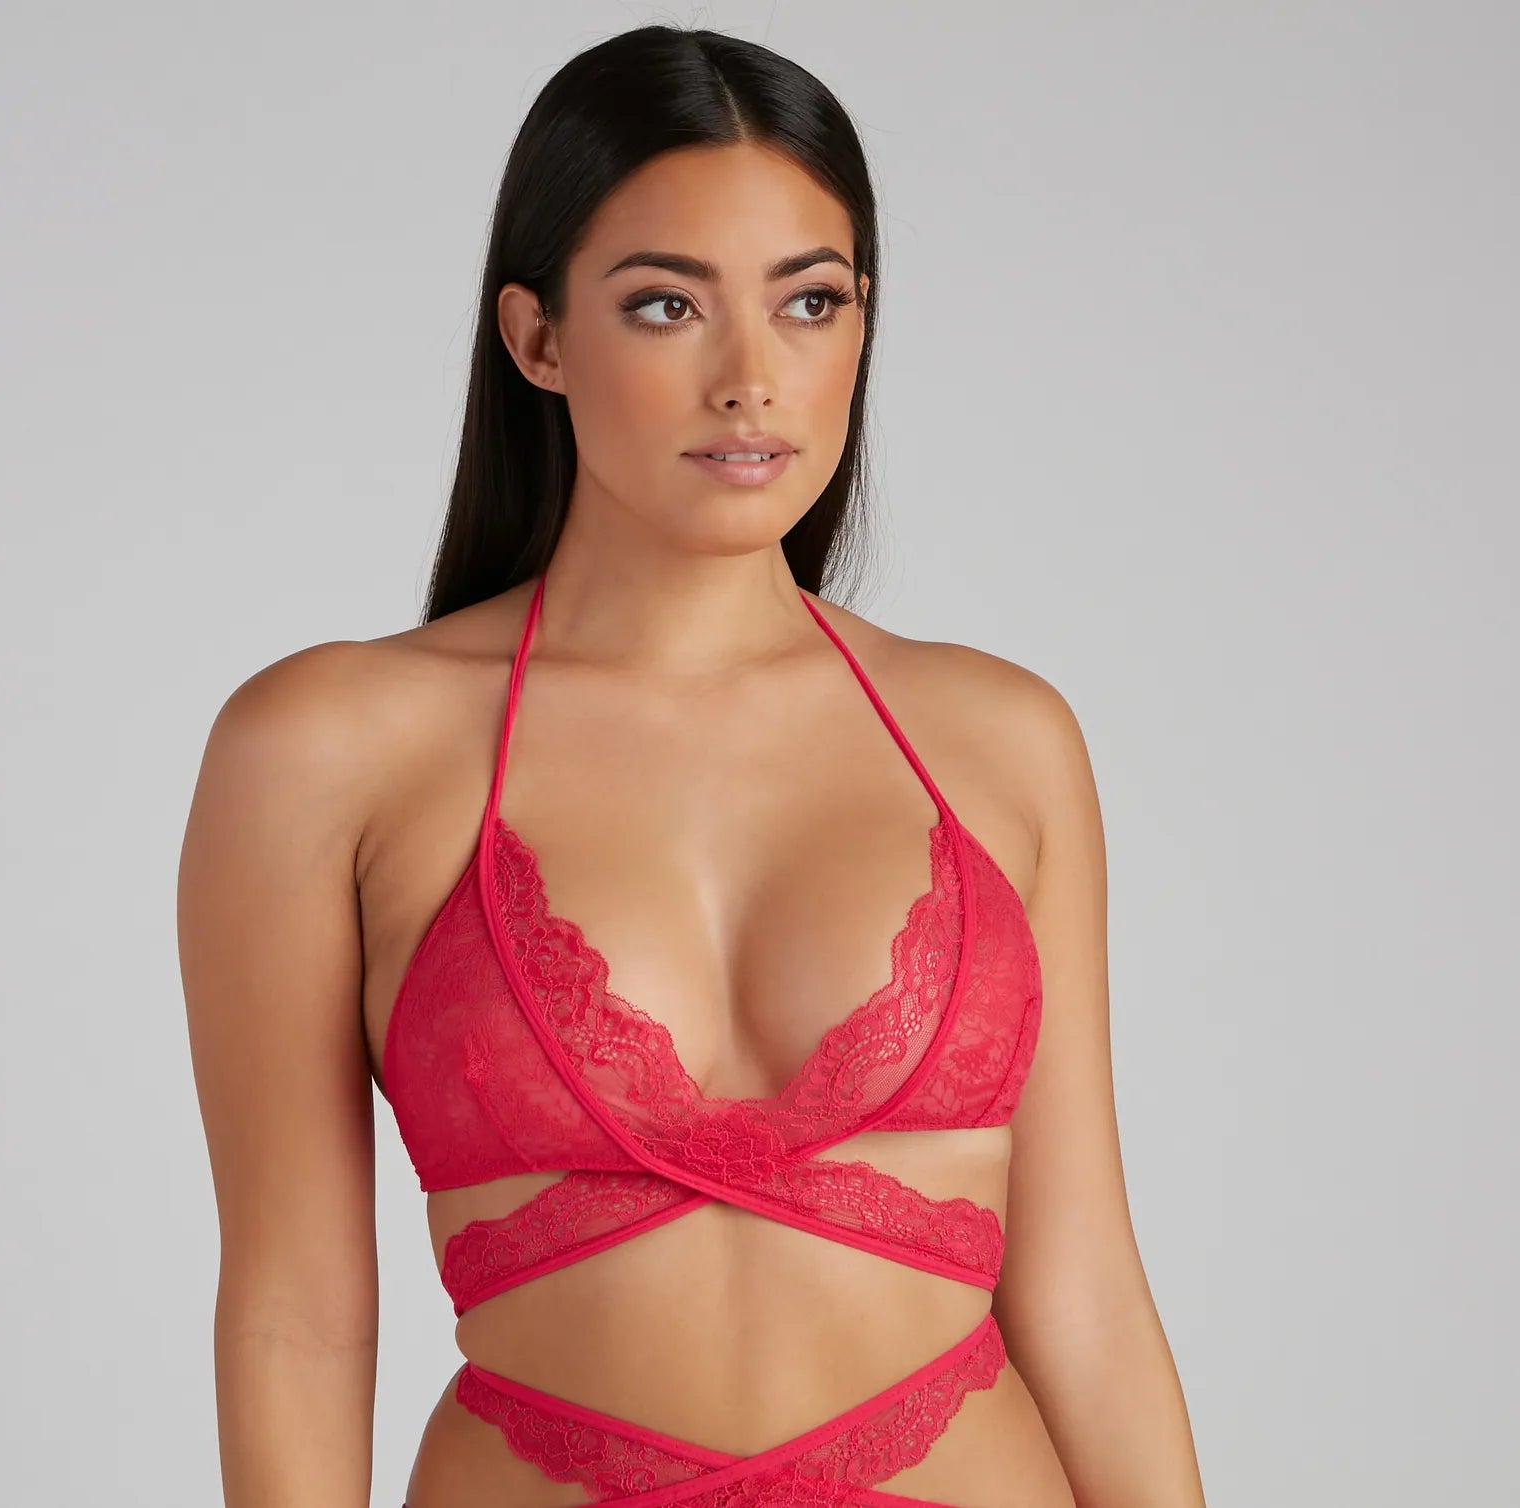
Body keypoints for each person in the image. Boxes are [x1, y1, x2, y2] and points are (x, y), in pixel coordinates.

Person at [178, 23, 1205, 1508]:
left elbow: (1085, 1292)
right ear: (537, 338)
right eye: (666, 305)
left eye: (809, 302)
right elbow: (294, 1317)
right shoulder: (326, 750)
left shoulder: (1001, 740)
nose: (752, 378)